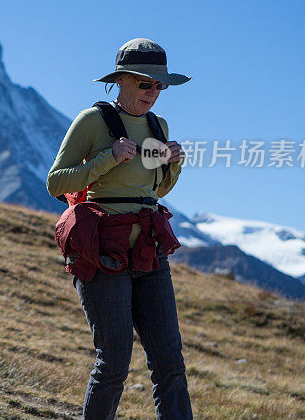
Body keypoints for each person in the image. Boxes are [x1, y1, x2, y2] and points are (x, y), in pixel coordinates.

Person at [47, 38, 193, 419]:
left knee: (170, 365)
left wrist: (174, 163)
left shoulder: (157, 127)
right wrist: (105, 158)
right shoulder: (92, 121)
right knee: (113, 366)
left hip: (149, 248)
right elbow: (56, 182)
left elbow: (156, 189)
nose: (154, 92)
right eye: (146, 83)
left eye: (160, 86)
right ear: (123, 80)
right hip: (101, 249)